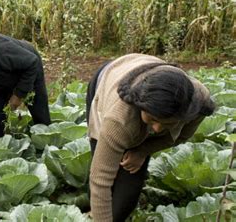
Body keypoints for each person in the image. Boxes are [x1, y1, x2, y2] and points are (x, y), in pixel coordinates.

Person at [85, 53, 215, 222]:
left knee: (125, 198)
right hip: (108, 77)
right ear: (140, 106)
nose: (157, 128)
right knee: (103, 166)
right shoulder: (118, 119)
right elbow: (100, 179)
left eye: (168, 123)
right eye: (152, 119)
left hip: (156, 76)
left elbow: (180, 137)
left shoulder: (198, 104)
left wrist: (143, 150)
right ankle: (92, 210)